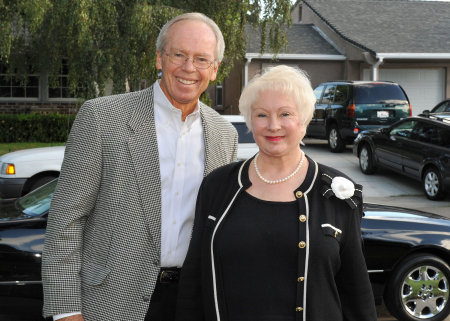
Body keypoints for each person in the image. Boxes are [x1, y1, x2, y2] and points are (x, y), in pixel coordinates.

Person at [42, 12, 238, 321]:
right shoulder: (101, 118)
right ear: (159, 58)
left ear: (214, 70)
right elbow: (65, 220)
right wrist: (66, 311)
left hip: (192, 303)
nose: (189, 68)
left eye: (201, 59)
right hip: (110, 303)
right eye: (179, 55)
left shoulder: (225, 135)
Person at [176, 65, 377, 321]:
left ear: (303, 119)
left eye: (285, 114)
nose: (273, 126)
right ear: (250, 120)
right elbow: (194, 280)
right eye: (262, 115)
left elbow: (356, 292)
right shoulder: (217, 186)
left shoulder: (336, 192)